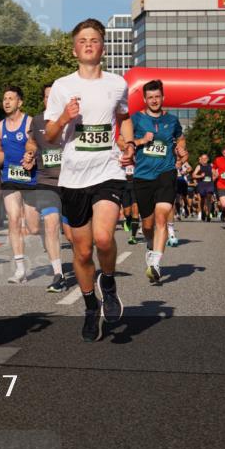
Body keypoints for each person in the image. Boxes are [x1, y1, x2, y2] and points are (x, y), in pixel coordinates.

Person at [45, 18, 134, 342]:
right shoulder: (62, 86)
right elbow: (51, 136)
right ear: (74, 49)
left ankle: (107, 283)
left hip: (108, 171)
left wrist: (128, 144)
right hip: (73, 177)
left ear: (103, 48)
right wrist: (65, 118)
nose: (88, 44)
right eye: (82, 40)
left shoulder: (116, 84)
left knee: (104, 238)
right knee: (82, 252)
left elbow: (123, 120)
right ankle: (89, 306)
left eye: (94, 39)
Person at [131, 80, 187, 283]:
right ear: (145, 99)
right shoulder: (136, 119)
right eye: (150, 97)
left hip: (166, 172)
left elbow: (180, 138)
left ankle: (155, 263)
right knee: (147, 224)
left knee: (162, 216)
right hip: (143, 175)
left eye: (157, 97)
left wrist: (182, 148)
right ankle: (149, 244)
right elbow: (123, 141)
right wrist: (139, 141)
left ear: (163, 98)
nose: (154, 100)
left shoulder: (172, 120)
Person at [0, 86, 40, 285]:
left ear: (20, 102)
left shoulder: (30, 123)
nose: (7, 102)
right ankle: (20, 269)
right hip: (9, 176)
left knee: (34, 227)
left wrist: (31, 155)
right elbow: (0, 150)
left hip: (29, 177)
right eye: (4, 99)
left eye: (11, 98)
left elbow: (35, 144)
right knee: (13, 218)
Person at [32, 81, 69, 292]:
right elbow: (31, 142)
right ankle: (58, 274)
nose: (50, 100)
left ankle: (83, 263)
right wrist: (29, 153)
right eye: (47, 97)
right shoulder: (36, 121)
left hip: (71, 183)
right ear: (44, 100)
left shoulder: (70, 122)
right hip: (47, 182)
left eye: (54, 96)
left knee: (74, 236)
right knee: (51, 224)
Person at [121, 165, 142, 245]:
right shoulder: (120, 156)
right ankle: (128, 220)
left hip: (136, 184)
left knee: (135, 209)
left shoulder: (136, 154)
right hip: (124, 184)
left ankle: (133, 236)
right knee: (127, 213)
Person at [192, 154, 215, 222]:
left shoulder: (211, 165)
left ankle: (208, 214)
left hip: (209, 184)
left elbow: (215, 174)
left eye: (205, 158)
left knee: (209, 198)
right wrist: (200, 176)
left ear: (208, 159)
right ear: (201, 159)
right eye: (203, 158)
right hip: (202, 185)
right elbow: (193, 175)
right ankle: (203, 212)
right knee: (202, 200)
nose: (204, 160)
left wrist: (213, 178)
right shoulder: (199, 166)